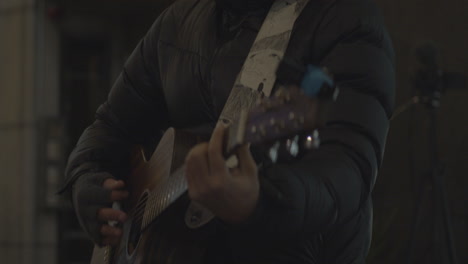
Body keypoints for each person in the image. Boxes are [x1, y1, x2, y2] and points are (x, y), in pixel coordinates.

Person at [59, 0, 395, 263]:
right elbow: (108, 128)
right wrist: (85, 182)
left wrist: (261, 201)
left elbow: (349, 167)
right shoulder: (176, 24)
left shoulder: (344, 18)